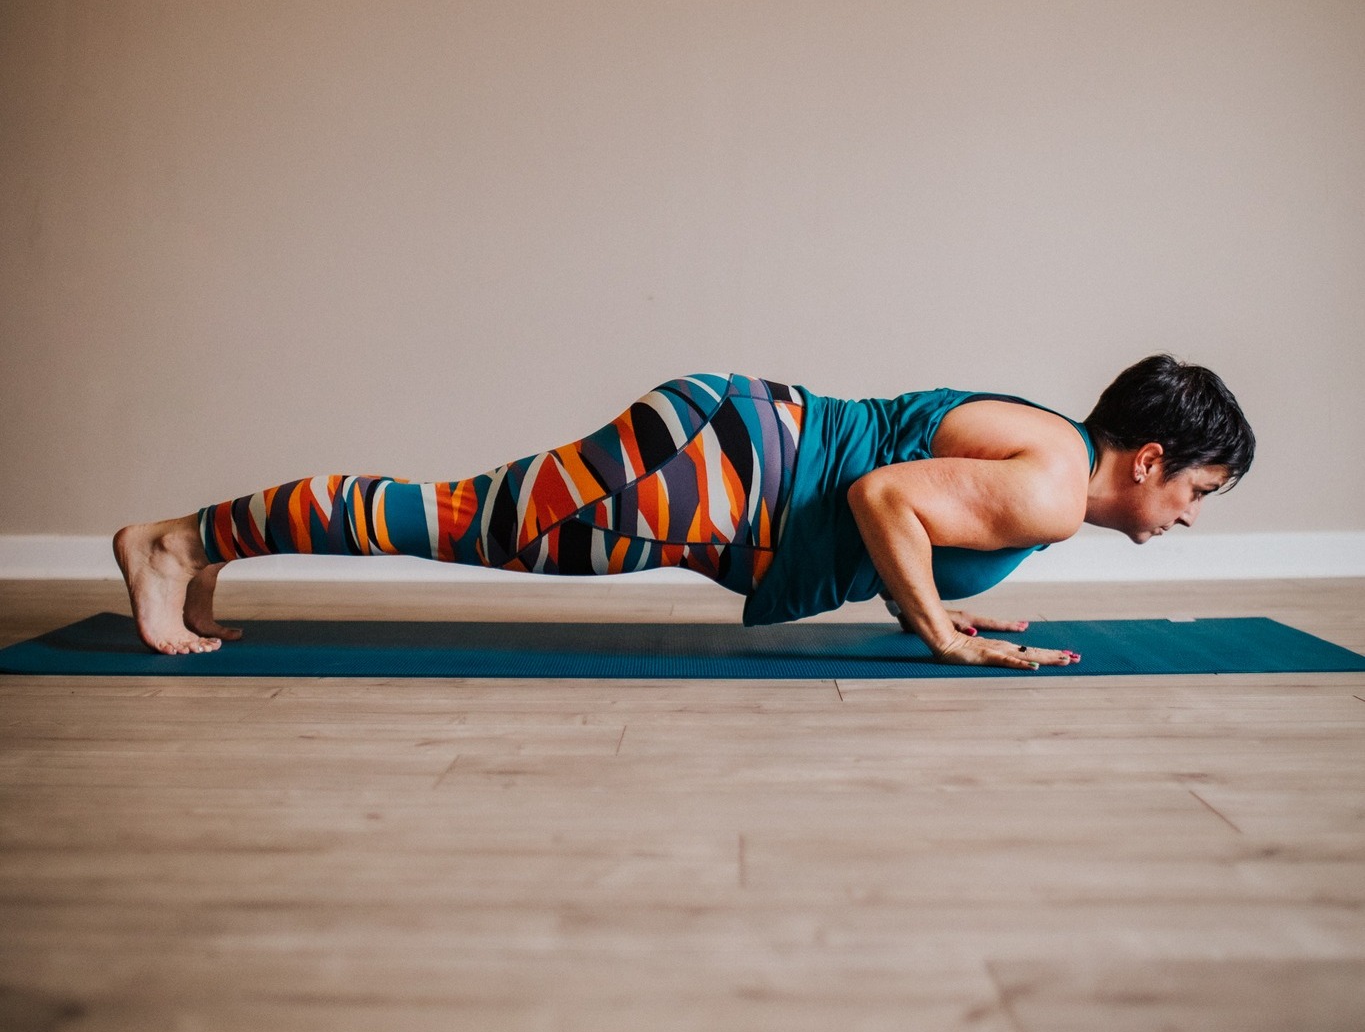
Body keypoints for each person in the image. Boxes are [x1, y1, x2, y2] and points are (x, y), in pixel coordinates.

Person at [112, 353, 1254, 669]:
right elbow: (884, 494)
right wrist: (941, 630)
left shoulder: (1048, 445)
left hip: (726, 450)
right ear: (1151, 457)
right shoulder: (1054, 486)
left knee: (458, 515)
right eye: (1198, 489)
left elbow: (912, 494)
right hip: (723, 468)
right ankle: (174, 542)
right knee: (454, 520)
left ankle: (199, 550)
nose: (1190, 513)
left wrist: (950, 614)